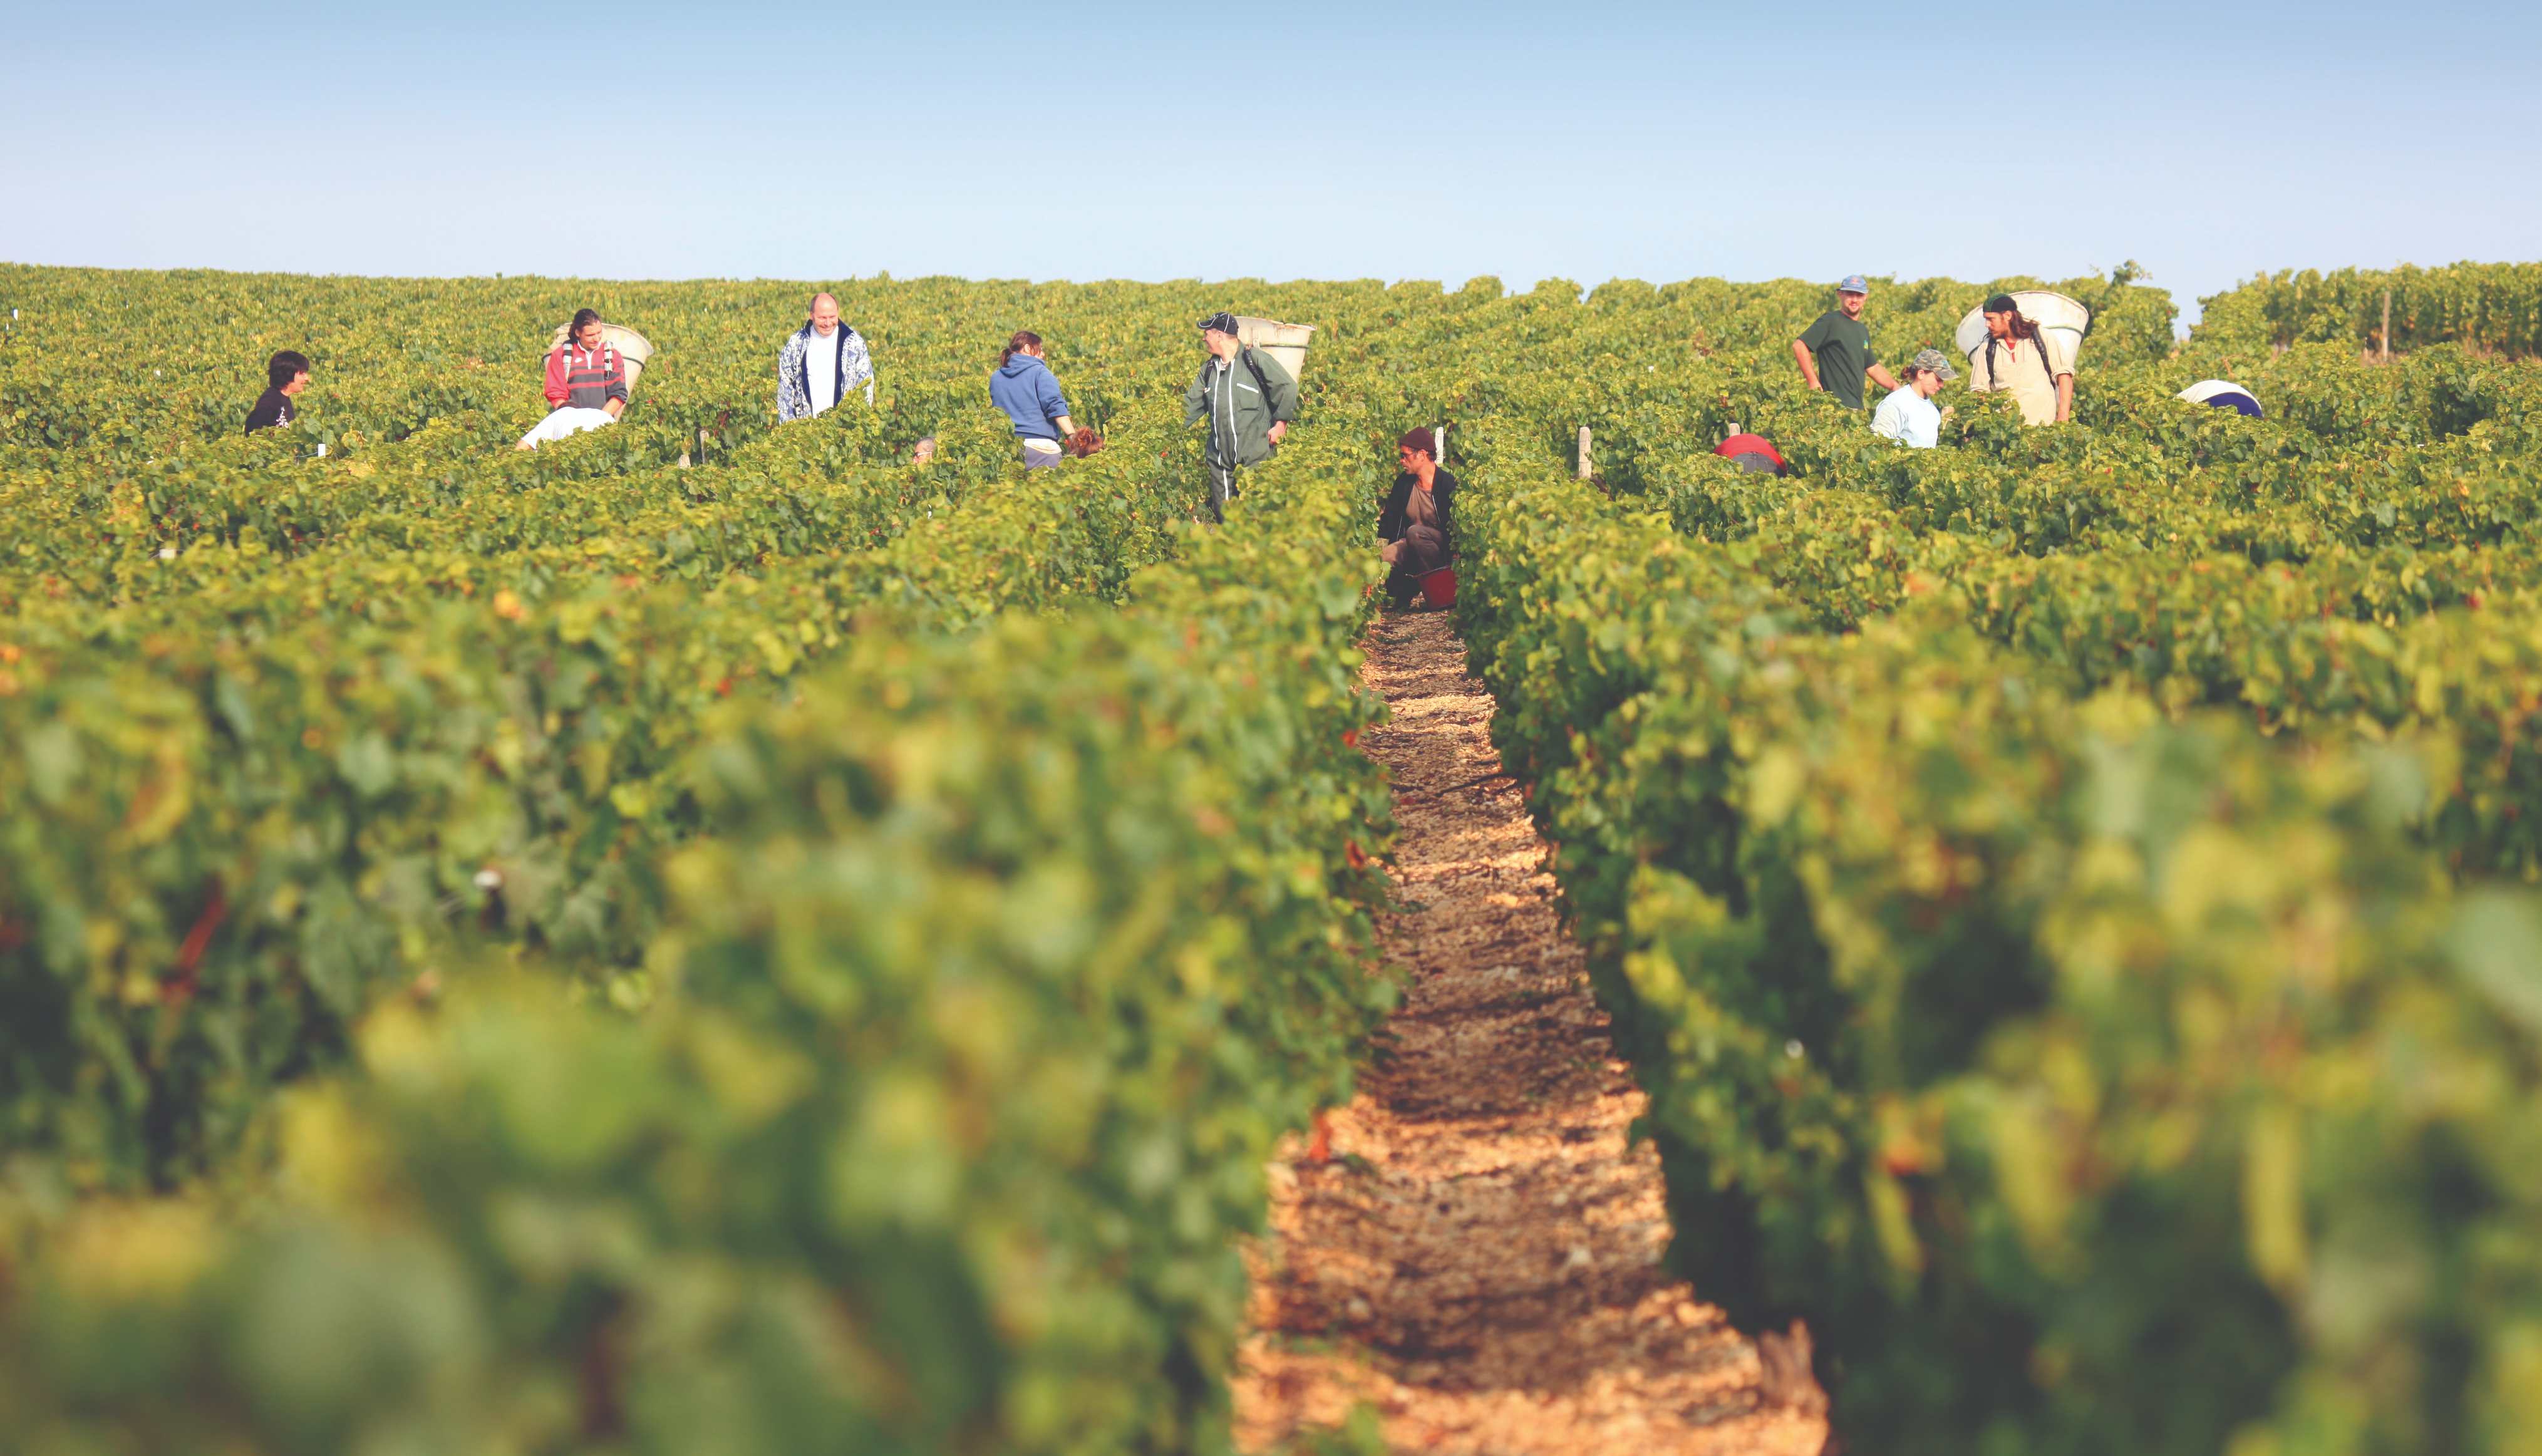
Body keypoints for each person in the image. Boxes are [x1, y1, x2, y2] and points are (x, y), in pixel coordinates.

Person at [1182, 311, 1296, 521]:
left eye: (1206, 333)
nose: (1203, 338)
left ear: (1220, 336)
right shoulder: (1208, 370)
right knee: (1226, 519)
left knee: (1259, 518)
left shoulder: (1254, 360)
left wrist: (1281, 425)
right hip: (1220, 460)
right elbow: (1188, 408)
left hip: (1256, 456)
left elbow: (1287, 388)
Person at [516, 308, 629, 450]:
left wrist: (600, 420)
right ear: (578, 333)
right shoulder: (561, 356)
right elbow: (555, 392)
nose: (596, 338)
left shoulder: (612, 356)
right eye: (590, 335)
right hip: (569, 426)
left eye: (599, 333)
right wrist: (571, 421)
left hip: (603, 426)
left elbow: (619, 394)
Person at [1792, 276, 1900, 410]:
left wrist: (1895, 387)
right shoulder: (1831, 321)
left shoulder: (1862, 330)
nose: (1854, 300)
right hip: (1833, 406)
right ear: (1840, 294)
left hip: (1856, 408)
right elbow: (1799, 345)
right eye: (1850, 294)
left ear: (1865, 297)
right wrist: (1813, 381)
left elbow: (1872, 367)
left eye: (1859, 295)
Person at [1378, 428, 1457, 609]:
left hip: (1441, 550)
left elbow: (1455, 528)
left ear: (1422, 455)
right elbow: (1390, 520)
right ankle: (1405, 590)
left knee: (1416, 533)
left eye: (1405, 456)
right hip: (1413, 545)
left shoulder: (1447, 484)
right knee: (1386, 556)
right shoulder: (1404, 484)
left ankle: (1440, 591)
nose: (1401, 461)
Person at [1965, 294, 2073, 425]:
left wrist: (2063, 417)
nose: (1987, 324)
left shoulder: (2041, 337)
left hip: (2044, 431)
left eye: (1991, 319)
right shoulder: (1986, 349)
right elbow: (1979, 391)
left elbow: (2064, 375)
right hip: (2006, 434)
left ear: (2007, 316)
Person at [988, 331, 1082, 468]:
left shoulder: (996, 378)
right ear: (1027, 348)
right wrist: (1072, 435)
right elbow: (1055, 407)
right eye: (1041, 349)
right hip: (1042, 450)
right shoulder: (1040, 373)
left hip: (1008, 451)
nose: (1043, 354)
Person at [777, 292, 874, 422]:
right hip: (805, 432)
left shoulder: (855, 344)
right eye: (822, 318)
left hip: (844, 430)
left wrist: (857, 423)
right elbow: (786, 389)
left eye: (832, 317)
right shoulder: (796, 344)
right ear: (811, 315)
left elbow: (866, 386)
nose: (828, 323)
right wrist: (789, 430)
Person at [1871, 349, 1956, 448]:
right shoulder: (1896, 403)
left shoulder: (1932, 410)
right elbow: (1879, 443)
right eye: (1938, 379)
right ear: (1921, 374)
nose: (1941, 385)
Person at [244, 350, 309, 435]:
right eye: (302, 374)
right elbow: (252, 432)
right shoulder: (269, 402)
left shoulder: (283, 399)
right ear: (288, 374)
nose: (306, 378)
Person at [1713, 431, 1787, 475]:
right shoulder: (1760, 440)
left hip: (1736, 459)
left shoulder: (1724, 447)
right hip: (1769, 460)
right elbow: (1783, 470)